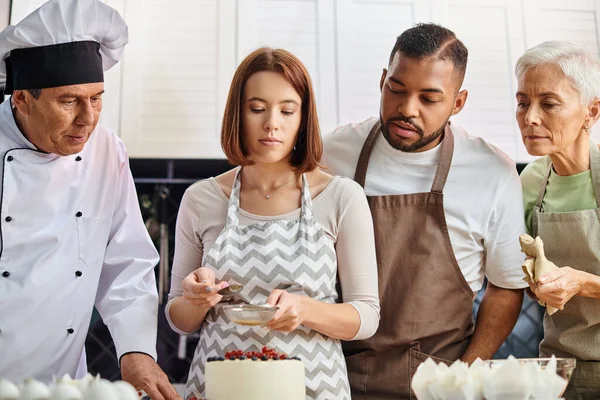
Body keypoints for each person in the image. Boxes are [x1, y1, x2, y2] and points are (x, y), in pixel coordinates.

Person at [322, 23, 527, 399]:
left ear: (458, 102)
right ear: (383, 79)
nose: (406, 109)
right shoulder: (330, 152)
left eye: (429, 99)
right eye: (396, 90)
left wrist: (464, 377)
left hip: (437, 384)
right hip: (333, 378)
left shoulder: (492, 172)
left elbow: (505, 287)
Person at [166, 47, 380, 400]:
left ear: (303, 118)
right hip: (218, 391)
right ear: (237, 113)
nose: (272, 123)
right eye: (256, 109)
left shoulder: (341, 196)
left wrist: (304, 309)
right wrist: (197, 297)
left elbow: (366, 316)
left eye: (287, 110)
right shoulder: (201, 198)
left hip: (314, 389)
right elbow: (180, 318)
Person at [0, 1, 180, 398]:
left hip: (62, 384)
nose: (88, 119)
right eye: (69, 101)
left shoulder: (105, 150)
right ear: (22, 99)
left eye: (96, 98)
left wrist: (137, 352)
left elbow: (126, 260)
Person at [517, 41, 600, 399]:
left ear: (591, 112)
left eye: (548, 104)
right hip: (559, 370)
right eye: (522, 102)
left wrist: (581, 283)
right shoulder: (530, 182)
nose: (530, 118)